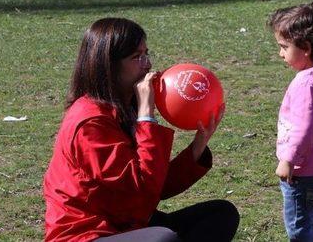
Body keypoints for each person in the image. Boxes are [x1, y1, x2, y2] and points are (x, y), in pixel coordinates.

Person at [43, 18, 239, 242]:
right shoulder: (90, 123)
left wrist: (198, 145)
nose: (147, 64)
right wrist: (147, 116)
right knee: (162, 239)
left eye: (146, 53)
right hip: (88, 233)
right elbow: (140, 189)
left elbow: (156, 186)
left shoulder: (125, 106)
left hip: (126, 222)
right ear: (108, 65)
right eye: (136, 57)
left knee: (219, 215)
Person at [267, 2, 313, 241]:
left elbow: (304, 129)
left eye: (284, 47)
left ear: (305, 48)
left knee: (299, 229)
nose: (280, 54)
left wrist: (288, 160)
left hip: (303, 173)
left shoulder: (306, 84)